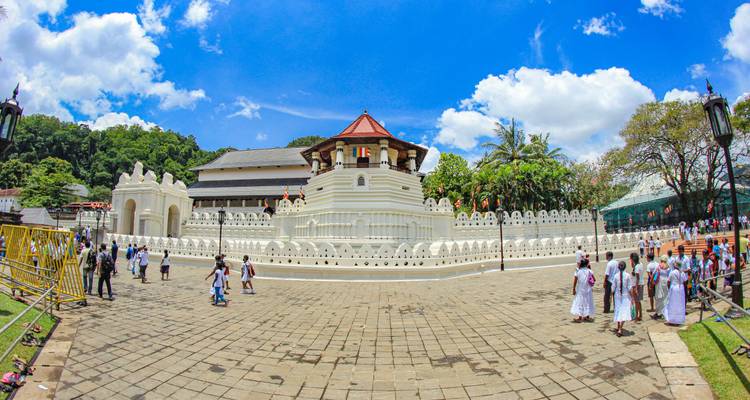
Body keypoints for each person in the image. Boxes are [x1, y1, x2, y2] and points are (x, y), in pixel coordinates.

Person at [612, 261, 635, 337]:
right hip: (625, 296)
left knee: (618, 311)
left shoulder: (615, 276)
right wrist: (632, 298)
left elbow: (613, 288)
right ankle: (620, 328)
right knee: (624, 312)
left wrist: (610, 296)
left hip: (617, 296)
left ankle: (619, 327)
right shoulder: (628, 276)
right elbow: (630, 288)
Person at [664, 260, 687, 325]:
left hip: (674, 288)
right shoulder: (682, 273)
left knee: (672, 304)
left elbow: (668, 281)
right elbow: (685, 282)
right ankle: (678, 320)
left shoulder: (672, 272)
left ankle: (672, 319)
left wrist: (669, 289)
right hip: (681, 289)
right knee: (679, 304)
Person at [571, 258, 595, 322]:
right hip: (588, 289)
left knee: (580, 302)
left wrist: (573, 289)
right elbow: (594, 279)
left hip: (580, 289)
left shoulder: (578, 271)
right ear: (587, 264)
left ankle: (580, 317)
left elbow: (575, 281)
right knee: (588, 302)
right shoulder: (589, 271)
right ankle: (587, 316)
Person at [652, 255, 670, 320]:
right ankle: (664, 312)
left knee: (658, 297)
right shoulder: (668, 267)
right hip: (665, 282)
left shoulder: (659, 266)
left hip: (659, 282)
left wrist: (652, 282)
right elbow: (669, 275)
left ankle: (658, 312)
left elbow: (654, 274)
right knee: (665, 297)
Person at [630, 253, 644, 322]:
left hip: (637, 285)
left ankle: (637, 316)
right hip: (640, 284)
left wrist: (635, 287)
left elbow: (637, 277)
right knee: (638, 301)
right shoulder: (640, 264)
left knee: (636, 301)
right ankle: (640, 315)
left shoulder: (637, 267)